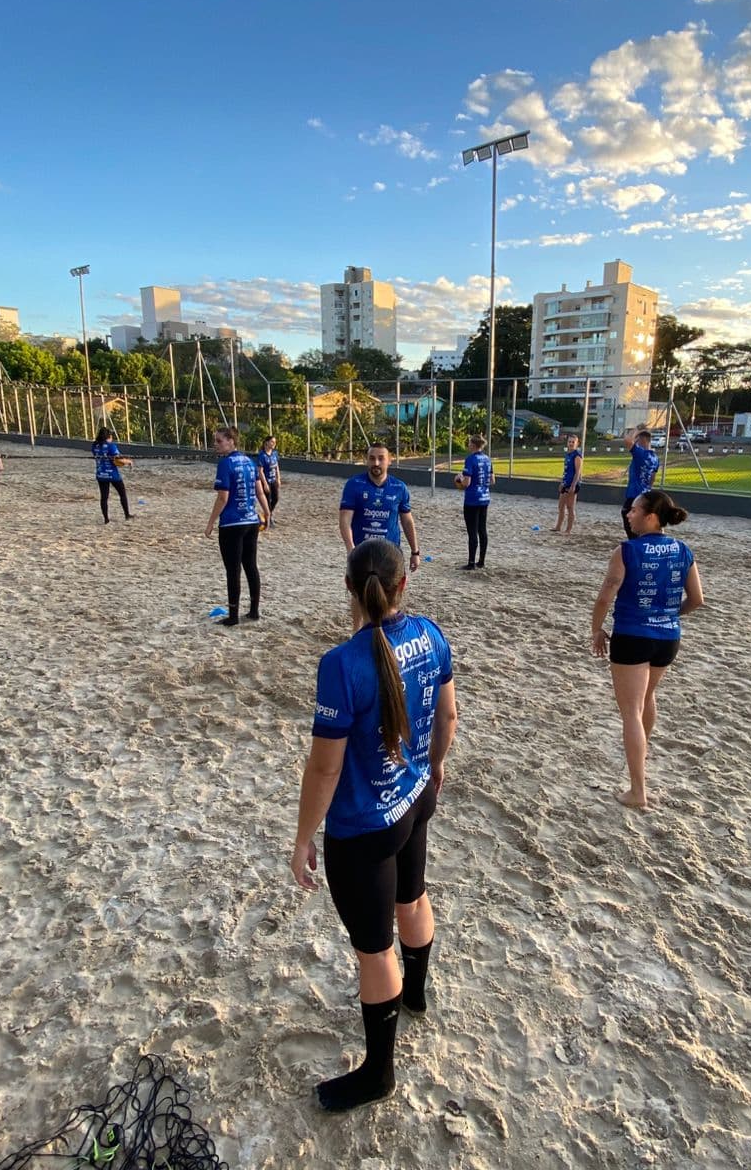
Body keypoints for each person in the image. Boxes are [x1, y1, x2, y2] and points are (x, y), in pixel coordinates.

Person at [291, 538, 458, 1112]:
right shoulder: (430, 634)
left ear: (348, 588)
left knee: (374, 950)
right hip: (415, 799)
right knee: (413, 897)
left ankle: (379, 1073)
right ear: (402, 584)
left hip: (365, 827)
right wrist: (435, 767)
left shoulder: (342, 664)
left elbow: (325, 767)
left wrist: (303, 837)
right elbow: (448, 715)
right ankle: (416, 994)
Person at [590, 490, 703, 810]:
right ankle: (640, 761)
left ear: (651, 516)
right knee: (647, 698)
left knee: (631, 712)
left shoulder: (626, 550)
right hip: (668, 638)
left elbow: (606, 594)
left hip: (632, 635)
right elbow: (697, 600)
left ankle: (637, 791)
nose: (628, 514)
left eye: (634, 510)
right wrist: (667, 615)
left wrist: (596, 629)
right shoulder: (682, 550)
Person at [205, 426, 270, 626]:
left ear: (231, 441)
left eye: (219, 441)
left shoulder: (225, 464)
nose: (216, 444)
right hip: (251, 521)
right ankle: (254, 611)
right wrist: (267, 512)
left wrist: (210, 523)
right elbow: (259, 491)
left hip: (232, 523)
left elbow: (223, 498)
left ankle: (233, 616)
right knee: (251, 566)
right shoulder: (249, 462)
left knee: (233, 570)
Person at [339, 444, 420, 577]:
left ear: (389, 461)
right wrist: (351, 549)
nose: (376, 463)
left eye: (381, 458)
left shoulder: (399, 487)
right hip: (362, 552)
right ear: (367, 460)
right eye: (372, 458)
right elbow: (345, 519)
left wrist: (415, 552)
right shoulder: (354, 485)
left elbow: (407, 521)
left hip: (390, 554)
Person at [453, 435, 493, 570]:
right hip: (485, 498)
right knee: (482, 530)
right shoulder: (487, 459)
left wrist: (458, 479)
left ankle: (471, 563)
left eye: (469, 443)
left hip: (472, 499)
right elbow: (492, 480)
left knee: (472, 531)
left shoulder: (470, 459)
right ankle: (481, 561)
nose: (468, 445)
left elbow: (466, 483)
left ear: (474, 445)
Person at [620, 426, 659, 539]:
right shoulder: (655, 458)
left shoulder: (641, 454)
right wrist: (648, 489)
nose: (636, 442)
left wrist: (636, 430)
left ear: (643, 440)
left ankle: (635, 541)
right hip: (645, 494)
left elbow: (627, 440)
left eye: (637, 440)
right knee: (641, 519)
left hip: (634, 494)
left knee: (627, 515)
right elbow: (653, 478)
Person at [92, 427, 133, 523]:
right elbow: (118, 460)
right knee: (122, 493)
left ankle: (106, 519)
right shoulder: (111, 446)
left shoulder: (95, 446)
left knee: (104, 497)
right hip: (113, 475)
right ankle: (127, 515)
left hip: (101, 474)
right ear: (109, 436)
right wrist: (129, 462)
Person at [555, 432, 583, 534]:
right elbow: (566, 471)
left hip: (572, 484)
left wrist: (573, 485)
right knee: (561, 506)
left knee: (570, 507)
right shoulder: (568, 455)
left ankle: (568, 530)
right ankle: (558, 526)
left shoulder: (577, 456)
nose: (571, 444)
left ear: (577, 443)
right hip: (566, 482)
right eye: (569, 442)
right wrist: (562, 482)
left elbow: (578, 472)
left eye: (573, 442)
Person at [257, 434, 282, 525]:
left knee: (276, 498)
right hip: (266, 481)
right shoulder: (262, 455)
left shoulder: (274, 453)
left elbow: (276, 466)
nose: (274, 443)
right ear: (266, 443)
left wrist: (278, 478)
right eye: (272, 442)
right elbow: (260, 471)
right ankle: (268, 518)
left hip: (273, 480)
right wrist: (265, 484)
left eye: (275, 442)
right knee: (267, 500)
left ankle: (268, 514)